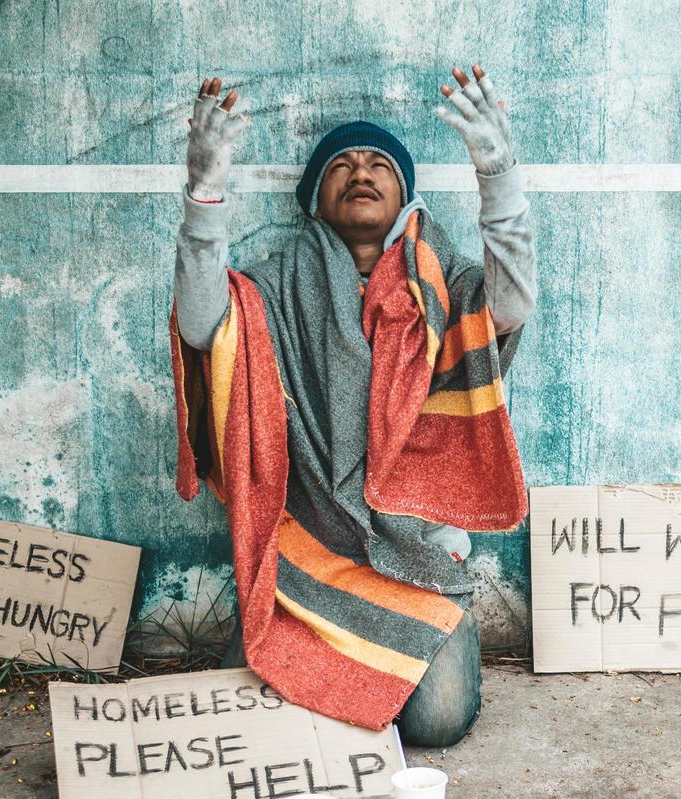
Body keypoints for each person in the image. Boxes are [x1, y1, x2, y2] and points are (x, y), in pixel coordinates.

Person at [169, 65, 537, 747]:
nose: (361, 171)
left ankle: (400, 661)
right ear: (315, 198)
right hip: (305, 562)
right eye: (342, 164)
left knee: (437, 724)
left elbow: (510, 305)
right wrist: (205, 193)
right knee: (244, 717)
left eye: (378, 165)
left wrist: (498, 173)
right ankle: (353, 677)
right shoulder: (272, 288)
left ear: (402, 196)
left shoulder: (448, 286)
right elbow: (199, 328)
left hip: (417, 566)